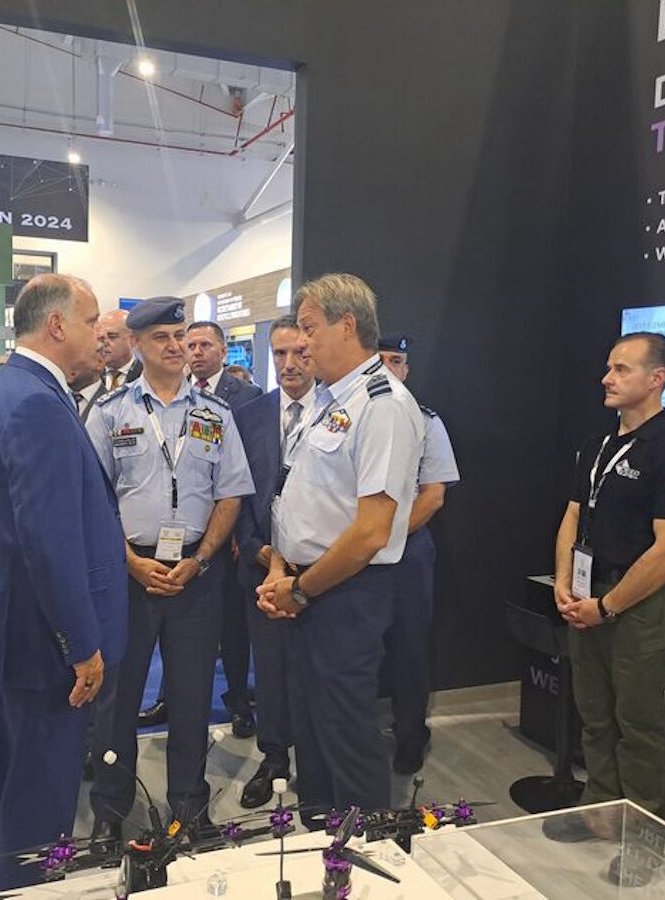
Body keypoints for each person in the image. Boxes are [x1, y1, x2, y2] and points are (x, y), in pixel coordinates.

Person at [0, 274, 127, 889]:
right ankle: (24, 886)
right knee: (40, 796)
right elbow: (49, 542)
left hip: (14, 630)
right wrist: (81, 645)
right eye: (91, 322)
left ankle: (12, 879)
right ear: (57, 325)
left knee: (18, 781)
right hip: (42, 643)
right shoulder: (36, 402)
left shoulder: (11, 388)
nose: (100, 337)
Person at [87, 297, 254, 843]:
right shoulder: (110, 413)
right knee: (118, 701)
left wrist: (200, 559)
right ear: (137, 345)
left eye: (180, 335)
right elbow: (95, 500)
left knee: (191, 696)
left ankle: (189, 806)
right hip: (130, 573)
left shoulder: (215, 414)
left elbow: (231, 493)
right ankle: (111, 809)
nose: (176, 346)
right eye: (162, 337)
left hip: (196, 575)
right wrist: (130, 562)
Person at [257, 274, 423, 819]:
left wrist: (302, 590)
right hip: (305, 584)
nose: (301, 344)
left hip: (344, 593)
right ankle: (319, 835)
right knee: (311, 727)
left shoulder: (383, 405)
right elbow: (301, 497)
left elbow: (371, 531)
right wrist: (281, 568)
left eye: (309, 329)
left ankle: (362, 848)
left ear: (347, 325)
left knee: (346, 733)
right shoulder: (330, 400)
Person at [548, 332, 665, 862]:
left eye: (621, 369)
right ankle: (600, 811)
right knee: (595, 715)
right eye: (608, 367)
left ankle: (643, 840)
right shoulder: (599, 443)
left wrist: (608, 606)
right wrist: (565, 581)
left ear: (656, 378)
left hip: (639, 604)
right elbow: (574, 513)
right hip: (588, 592)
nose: (607, 378)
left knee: (638, 725)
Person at [234, 316, 315, 808]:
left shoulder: (337, 411)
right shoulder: (250, 415)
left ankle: (318, 761)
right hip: (262, 567)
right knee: (270, 667)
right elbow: (237, 491)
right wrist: (257, 549)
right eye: (280, 353)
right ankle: (275, 758)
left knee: (317, 667)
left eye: (300, 353)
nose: (289, 364)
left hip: (320, 570)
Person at [377, 332, 460, 774]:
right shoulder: (350, 418)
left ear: (406, 370)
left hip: (407, 549)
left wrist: (385, 537)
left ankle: (410, 735)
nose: (389, 368)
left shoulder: (426, 422)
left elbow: (433, 496)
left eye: (396, 361)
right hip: (355, 551)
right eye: (381, 360)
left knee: (410, 647)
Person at [186, 320, 263, 737]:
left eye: (204, 345)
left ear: (221, 350)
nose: (196, 352)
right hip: (189, 528)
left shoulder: (247, 397)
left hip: (231, 529)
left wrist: (239, 531)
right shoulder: (177, 394)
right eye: (191, 345)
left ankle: (238, 699)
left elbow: (252, 469)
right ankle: (174, 698)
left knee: (233, 624)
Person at [97, 308, 143, 390]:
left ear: (132, 340)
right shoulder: (89, 375)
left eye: (112, 337)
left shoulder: (147, 376)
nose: (104, 344)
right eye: (100, 338)